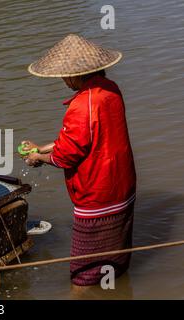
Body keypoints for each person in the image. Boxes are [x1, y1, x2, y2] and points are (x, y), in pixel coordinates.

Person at [22, 34, 136, 293]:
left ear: (75, 75)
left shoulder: (81, 106)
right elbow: (80, 139)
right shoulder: (110, 90)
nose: (64, 81)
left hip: (98, 197)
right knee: (114, 262)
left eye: (65, 76)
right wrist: (41, 147)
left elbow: (65, 156)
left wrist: (37, 157)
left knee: (82, 276)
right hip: (122, 187)